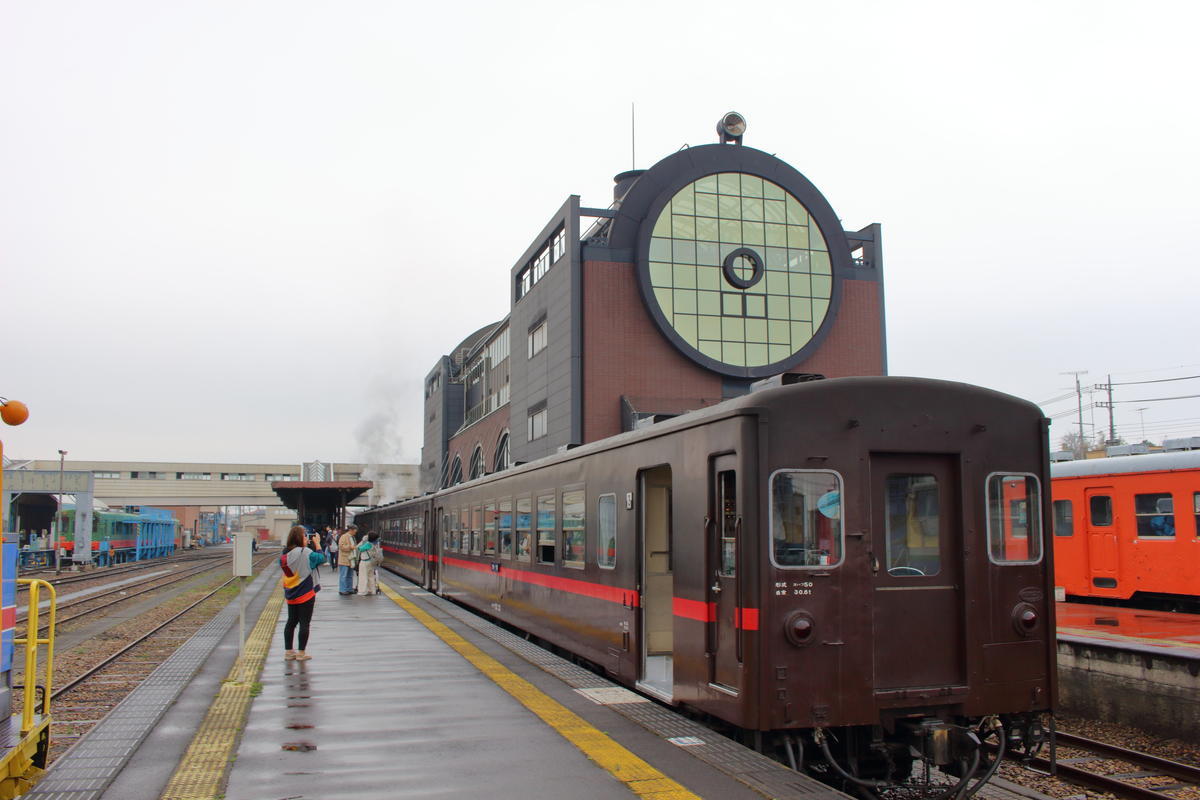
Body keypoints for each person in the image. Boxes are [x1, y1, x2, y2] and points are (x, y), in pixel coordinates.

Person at [279, 525, 326, 661]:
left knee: (291, 622)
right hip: (306, 592)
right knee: (304, 623)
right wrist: (317, 544)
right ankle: (301, 653)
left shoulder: (285, 553)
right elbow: (321, 559)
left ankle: (288, 652)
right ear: (300, 538)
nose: (307, 538)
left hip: (291, 592)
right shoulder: (305, 552)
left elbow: (287, 570)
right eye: (305, 536)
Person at [356, 531, 382, 596]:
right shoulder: (374, 545)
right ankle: (372, 590)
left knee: (363, 577)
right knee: (371, 577)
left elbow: (358, 548)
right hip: (371, 562)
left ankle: (362, 591)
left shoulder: (367, 544)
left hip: (364, 562)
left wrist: (362, 541)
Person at [337, 526, 358, 594]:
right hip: (344, 560)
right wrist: (350, 547)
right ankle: (342, 590)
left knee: (350, 575)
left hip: (351, 560)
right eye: (354, 531)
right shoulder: (344, 536)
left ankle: (349, 589)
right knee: (343, 575)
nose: (355, 533)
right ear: (350, 530)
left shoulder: (352, 537)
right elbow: (341, 546)